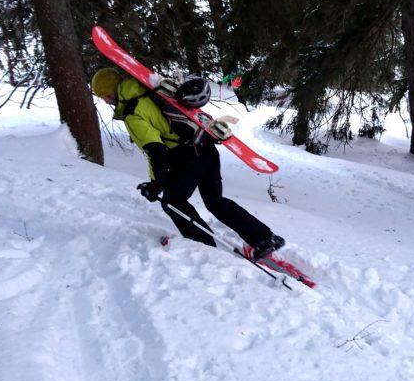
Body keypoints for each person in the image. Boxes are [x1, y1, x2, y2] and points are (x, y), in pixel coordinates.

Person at [91, 68, 286, 259]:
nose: (105, 101)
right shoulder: (146, 88)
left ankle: (204, 247)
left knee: (173, 203)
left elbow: (155, 150)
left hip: (188, 155)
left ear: (110, 93)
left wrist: (156, 184)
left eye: (104, 96)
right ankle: (264, 238)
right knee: (215, 202)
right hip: (205, 145)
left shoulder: (132, 112)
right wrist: (158, 181)